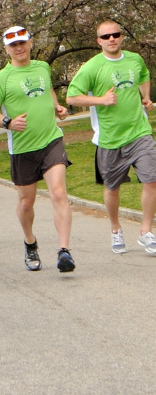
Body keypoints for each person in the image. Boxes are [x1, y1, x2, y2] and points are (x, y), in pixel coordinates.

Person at [0, 26, 75, 272]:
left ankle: (64, 251)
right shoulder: (1, 78)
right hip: (22, 149)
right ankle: (30, 242)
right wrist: (7, 123)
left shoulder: (43, 68)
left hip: (51, 140)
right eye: (13, 45)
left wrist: (58, 107)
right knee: (26, 202)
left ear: (31, 43)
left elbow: (49, 90)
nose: (19, 48)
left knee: (58, 193)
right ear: (6, 49)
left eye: (22, 42)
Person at [66, 20, 156, 255]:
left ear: (121, 37)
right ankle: (116, 229)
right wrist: (100, 100)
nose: (111, 39)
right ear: (99, 41)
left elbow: (144, 75)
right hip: (109, 138)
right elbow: (72, 97)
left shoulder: (135, 59)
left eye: (115, 34)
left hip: (140, 132)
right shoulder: (91, 68)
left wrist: (145, 96)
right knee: (112, 188)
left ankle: (146, 231)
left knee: (151, 179)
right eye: (106, 37)